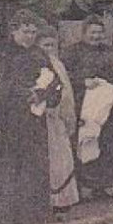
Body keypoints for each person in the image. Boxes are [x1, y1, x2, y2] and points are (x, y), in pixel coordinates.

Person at [0, 8, 56, 224]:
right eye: (25, 32)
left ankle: (27, 221)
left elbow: (55, 83)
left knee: (31, 171)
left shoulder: (39, 55)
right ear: (14, 31)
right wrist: (24, 94)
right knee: (8, 171)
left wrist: (42, 94)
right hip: (7, 122)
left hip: (32, 123)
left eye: (33, 32)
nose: (30, 37)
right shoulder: (2, 55)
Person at [64, 15, 113, 199]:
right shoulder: (71, 53)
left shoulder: (109, 52)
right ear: (84, 33)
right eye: (92, 32)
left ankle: (100, 187)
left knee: (106, 145)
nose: (96, 36)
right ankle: (80, 189)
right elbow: (64, 78)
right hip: (81, 106)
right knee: (83, 143)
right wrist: (83, 82)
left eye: (100, 32)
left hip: (105, 108)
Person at [36, 26, 80, 214]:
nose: (49, 49)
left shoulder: (58, 65)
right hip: (41, 117)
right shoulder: (35, 65)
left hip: (57, 118)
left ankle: (62, 200)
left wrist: (68, 116)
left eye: (52, 45)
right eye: (45, 45)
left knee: (61, 159)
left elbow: (67, 94)